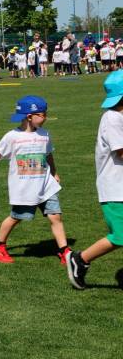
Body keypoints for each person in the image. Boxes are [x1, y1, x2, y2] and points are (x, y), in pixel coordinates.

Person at [0, 95, 71, 265]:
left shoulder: (45, 134)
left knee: (55, 216)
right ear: (30, 117)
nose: (45, 118)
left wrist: (54, 173)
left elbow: (49, 155)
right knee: (16, 217)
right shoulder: (12, 136)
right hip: (25, 188)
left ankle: (64, 250)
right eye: (42, 114)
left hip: (45, 184)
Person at [67, 71, 123, 289]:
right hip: (116, 188)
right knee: (121, 236)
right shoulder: (112, 118)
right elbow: (121, 151)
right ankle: (80, 259)